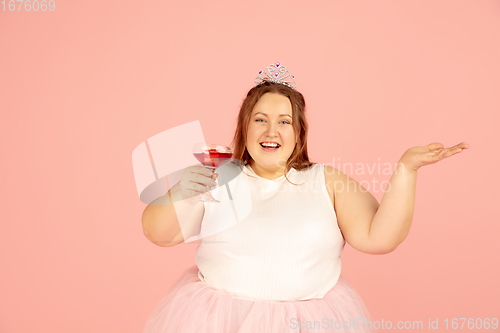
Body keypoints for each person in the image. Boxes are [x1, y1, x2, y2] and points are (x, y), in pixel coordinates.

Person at [141, 62, 469, 332]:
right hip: (217, 322)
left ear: (299, 134)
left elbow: (378, 238)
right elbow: (159, 233)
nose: (272, 131)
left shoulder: (325, 181)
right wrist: (183, 190)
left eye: (285, 122)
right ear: (244, 127)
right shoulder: (218, 176)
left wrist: (406, 170)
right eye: (260, 120)